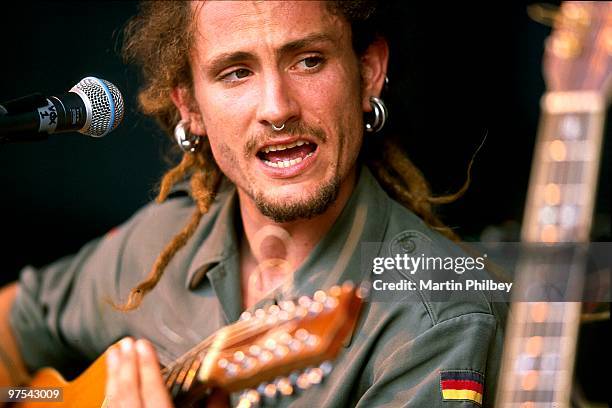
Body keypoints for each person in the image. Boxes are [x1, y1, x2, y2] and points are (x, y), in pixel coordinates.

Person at [0, 1, 507, 407]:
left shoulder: (436, 315)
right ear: (190, 106)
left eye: (308, 60)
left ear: (369, 71)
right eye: (235, 73)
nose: (277, 108)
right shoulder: (159, 243)